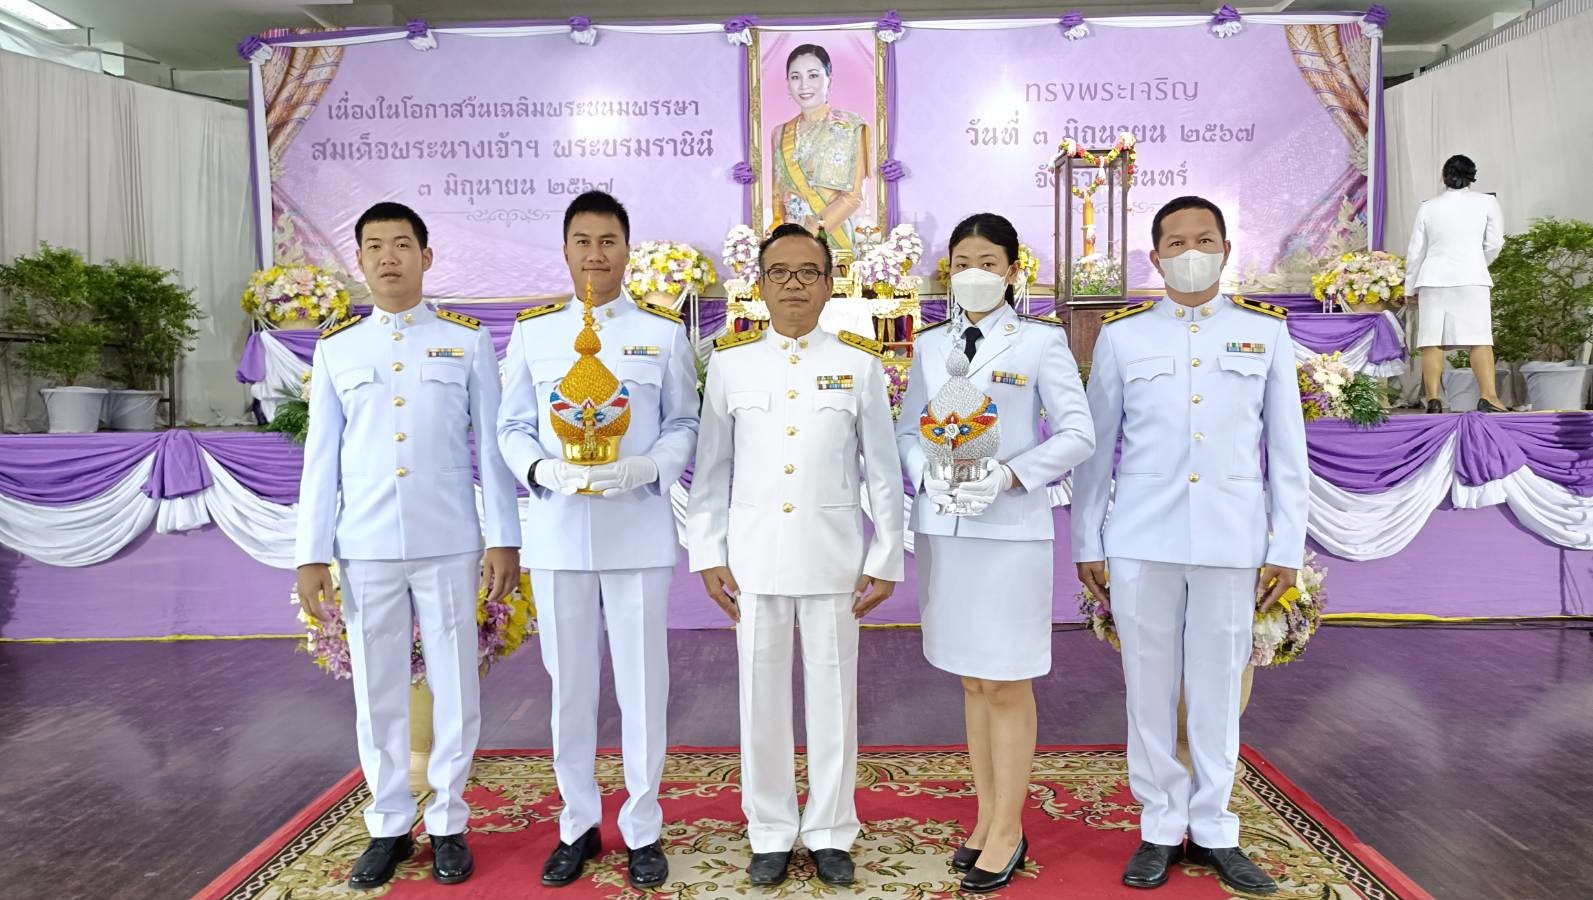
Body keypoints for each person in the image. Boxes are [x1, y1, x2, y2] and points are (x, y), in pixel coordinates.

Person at [1070, 196, 1307, 895]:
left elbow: (1287, 450)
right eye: (1176, 243)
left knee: (1217, 686)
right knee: (1147, 685)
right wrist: (1087, 539)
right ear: (1155, 257)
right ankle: (1158, 825)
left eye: (1204, 240)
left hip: (1232, 538)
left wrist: (1285, 545)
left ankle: (1213, 828)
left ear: (1226, 250)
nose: (1191, 252)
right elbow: (1097, 449)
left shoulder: (1264, 332)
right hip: (1142, 536)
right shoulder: (1123, 336)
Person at [295, 202, 522, 889]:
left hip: (448, 539)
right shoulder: (338, 349)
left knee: (455, 684)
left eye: (401, 244)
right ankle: (390, 823)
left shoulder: (465, 342)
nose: (388, 257)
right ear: (359, 261)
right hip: (365, 544)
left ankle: (448, 820)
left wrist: (503, 538)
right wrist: (311, 553)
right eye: (374, 246)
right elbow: (320, 458)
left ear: (426, 257)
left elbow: (493, 449)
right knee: (378, 689)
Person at [686, 223, 904, 888]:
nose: (793, 285)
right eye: (779, 272)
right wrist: (707, 551)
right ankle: (771, 830)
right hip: (753, 559)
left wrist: (885, 555)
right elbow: (710, 471)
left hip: (833, 556)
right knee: (760, 698)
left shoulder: (859, 365)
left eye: (808, 272)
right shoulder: (731, 365)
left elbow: (882, 471)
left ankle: (832, 829)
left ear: (830, 284)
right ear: (758, 284)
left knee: (834, 696)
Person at [496, 191, 699, 890]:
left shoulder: (661, 333)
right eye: (582, 241)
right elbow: (511, 426)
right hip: (559, 532)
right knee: (569, 688)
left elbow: (684, 422)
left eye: (608, 241)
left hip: (636, 528)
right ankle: (577, 823)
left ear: (627, 251)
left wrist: (648, 468)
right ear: (564, 250)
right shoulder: (535, 334)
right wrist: (540, 470)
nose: (595, 254)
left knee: (643, 687)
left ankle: (642, 827)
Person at [894, 213, 1094, 892]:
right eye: (961, 264)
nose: (973, 274)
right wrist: (926, 475)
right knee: (972, 680)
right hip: (945, 530)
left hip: (1008, 532)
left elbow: (1077, 433)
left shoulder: (1039, 342)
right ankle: (985, 817)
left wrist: (1008, 475)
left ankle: (1008, 828)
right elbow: (908, 432)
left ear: (1011, 270)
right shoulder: (931, 345)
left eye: (987, 262)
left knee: (1006, 680)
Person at [1404, 154, 1507, 413]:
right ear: (1472, 177)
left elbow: (1416, 251)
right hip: (1472, 279)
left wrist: (1409, 287)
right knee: (1480, 339)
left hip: (1433, 280)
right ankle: (1488, 397)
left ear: (1443, 177)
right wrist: (1477, 262)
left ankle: (1433, 399)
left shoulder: (1428, 207)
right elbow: (1495, 243)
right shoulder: (1487, 202)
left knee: (1432, 340)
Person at [769, 43, 870, 253]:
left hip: (833, 242)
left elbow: (852, 197)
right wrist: (780, 236)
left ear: (829, 79)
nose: (804, 85)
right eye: (795, 77)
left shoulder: (849, 126)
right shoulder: (779, 133)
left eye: (813, 75)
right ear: (788, 83)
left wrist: (808, 235)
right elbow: (778, 196)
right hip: (790, 243)